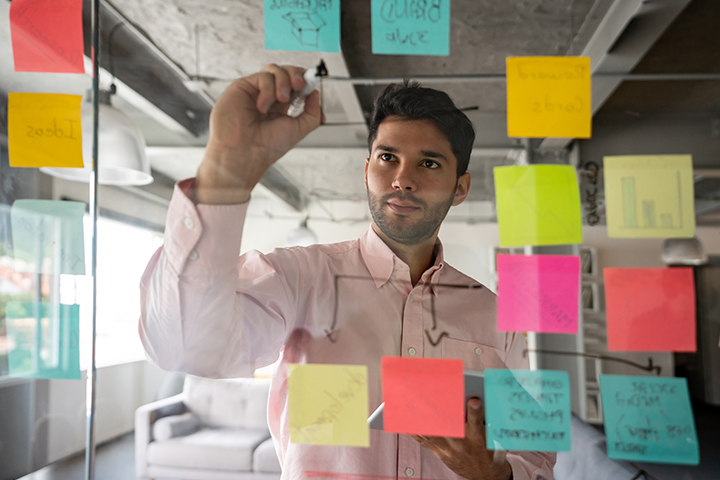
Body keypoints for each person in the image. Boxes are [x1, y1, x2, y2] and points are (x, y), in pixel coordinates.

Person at [140, 64, 555, 480]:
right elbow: (184, 346)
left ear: (459, 187)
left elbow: (537, 458)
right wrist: (225, 168)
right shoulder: (301, 278)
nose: (402, 179)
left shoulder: (497, 315)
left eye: (429, 164)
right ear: (367, 169)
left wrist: (495, 474)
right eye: (388, 157)